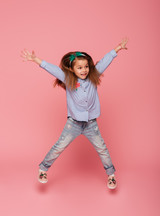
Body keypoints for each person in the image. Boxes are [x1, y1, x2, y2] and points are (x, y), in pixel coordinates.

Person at [21, 37, 128, 189]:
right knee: (59, 146)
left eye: (86, 67)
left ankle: (111, 175)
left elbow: (104, 61)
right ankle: (43, 169)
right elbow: (52, 69)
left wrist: (117, 48)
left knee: (102, 149)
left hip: (91, 124)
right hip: (74, 124)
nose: (84, 70)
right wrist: (35, 59)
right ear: (71, 69)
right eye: (79, 68)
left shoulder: (93, 76)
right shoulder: (67, 78)